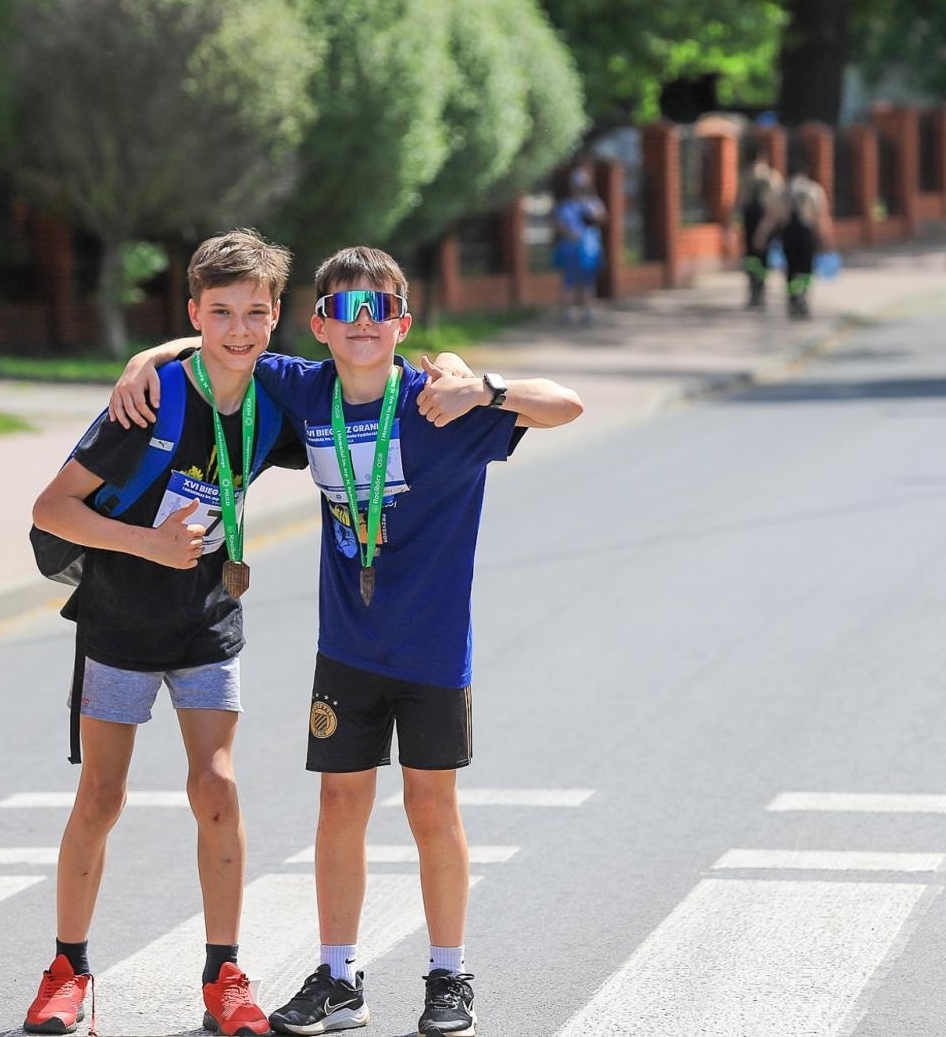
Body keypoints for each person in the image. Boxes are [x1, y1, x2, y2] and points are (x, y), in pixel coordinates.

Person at [114, 247, 583, 1037]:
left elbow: (566, 404)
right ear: (321, 324)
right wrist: (146, 355)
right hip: (349, 651)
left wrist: (484, 385)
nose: (361, 326)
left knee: (433, 808)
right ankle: (339, 978)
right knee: (339, 804)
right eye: (344, 311)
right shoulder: (302, 390)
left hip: (434, 651)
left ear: (401, 323)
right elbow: (230, 341)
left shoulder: (445, 406)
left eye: (379, 311)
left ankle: (447, 975)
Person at [25, 230, 308, 1037]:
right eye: (219, 314)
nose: (240, 330)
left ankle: (226, 976)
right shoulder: (149, 399)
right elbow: (51, 509)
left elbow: (362, 379)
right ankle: (66, 970)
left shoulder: (273, 402)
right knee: (102, 798)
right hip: (118, 620)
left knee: (216, 787)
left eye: (256, 313)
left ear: (277, 315)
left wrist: (454, 373)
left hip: (207, 621)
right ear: (194, 313)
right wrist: (149, 542)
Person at [756, 152, 835, 319]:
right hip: (806, 234)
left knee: (791, 268)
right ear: (804, 172)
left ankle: (793, 298)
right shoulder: (814, 189)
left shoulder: (781, 191)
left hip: (788, 234)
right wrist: (827, 239)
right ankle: (803, 296)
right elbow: (822, 218)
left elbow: (771, 217)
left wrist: (761, 235)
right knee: (806, 268)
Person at [553, 166, 606, 324]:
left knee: (588, 280)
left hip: (589, 248)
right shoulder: (566, 206)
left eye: (582, 185)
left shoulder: (593, 203)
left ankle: (588, 311)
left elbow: (601, 219)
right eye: (577, 185)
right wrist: (570, 234)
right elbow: (559, 224)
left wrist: (591, 213)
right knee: (569, 280)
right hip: (570, 247)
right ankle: (569, 312)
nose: (579, 189)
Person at [737, 143, 782, 308]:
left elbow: (739, 202)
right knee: (762, 257)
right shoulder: (772, 177)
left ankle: (754, 288)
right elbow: (776, 205)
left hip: (749, 220)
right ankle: (760, 288)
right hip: (764, 219)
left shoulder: (745, 176)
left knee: (750, 257)